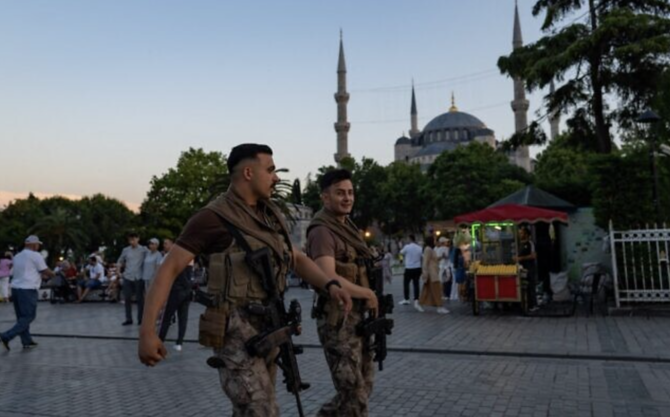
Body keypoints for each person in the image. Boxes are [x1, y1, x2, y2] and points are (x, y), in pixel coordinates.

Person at [138, 144, 352, 416]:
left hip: (269, 330)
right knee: (261, 410)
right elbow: (168, 270)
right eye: (271, 170)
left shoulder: (270, 214)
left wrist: (330, 285)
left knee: (251, 411)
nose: (276, 178)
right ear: (249, 173)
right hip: (234, 335)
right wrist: (147, 332)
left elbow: (295, 257)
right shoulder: (212, 218)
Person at [305, 169, 380, 417]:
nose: (347, 198)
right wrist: (367, 293)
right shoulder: (322, 231)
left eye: (350, 192)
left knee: (363, 387)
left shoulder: (347, 227)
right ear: (325, 198)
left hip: (359, 319)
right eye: (340, 193)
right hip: (338, 319)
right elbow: (328, 276)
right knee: (353, 394)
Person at [1, 235, 54, 351]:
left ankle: (27, 341)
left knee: (21, 317)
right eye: (37, 244)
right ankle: (6, 336)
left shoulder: (18, 256)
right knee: (29, 316)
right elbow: (44, 270)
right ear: (33, 244)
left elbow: (15, 271)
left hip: (15, 288)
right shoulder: (36, 255)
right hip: (28, 289)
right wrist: (54, 274)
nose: (38, 246)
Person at [157, 238, 192, 352]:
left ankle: (160, 341)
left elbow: (179, 274)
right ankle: (179, 343)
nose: (164, 245)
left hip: (176, 290)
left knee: (166, 317)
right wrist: (189, 289)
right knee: (183, 318)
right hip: (186, 291)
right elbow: (188, 275)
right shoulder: (190, 256)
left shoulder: (174, 256)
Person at [117, 232, 148, 325]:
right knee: (127, 298)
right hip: (128, 276)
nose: (132, 242)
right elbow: (120, 260)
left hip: (139, 276)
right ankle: (128, 318)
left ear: (138, 239)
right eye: (130, 240)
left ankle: (141, 318)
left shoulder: (144, 250)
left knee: (140, 299)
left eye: (133, 239)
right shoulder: (125, 250)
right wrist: (119, 272)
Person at [419, 236, 449, 314]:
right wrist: (425, 273)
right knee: (436, 290)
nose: (435, 241)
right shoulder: (428, 249)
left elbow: (433, 259)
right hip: (432, 273)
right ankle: (439, 306)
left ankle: (420, 303)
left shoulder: (430, 249)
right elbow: (425, 262)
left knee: (427, 290)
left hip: (433, 272)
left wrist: (441, 257)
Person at [514, 226, 538, 312]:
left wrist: (521, 258)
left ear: (526, 234)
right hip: (522, 269)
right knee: (524, 287)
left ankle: (533, 305)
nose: (520, 235)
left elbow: (533, 255)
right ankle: (526, 304)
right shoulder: (521, 244)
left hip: (530, 268)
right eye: (519, 233)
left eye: (521, 233)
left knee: (531, 286)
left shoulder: (530, 243)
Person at [398, 234, 423, 311]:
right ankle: (416, 299)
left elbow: (400, 253)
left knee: (406, 283)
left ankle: (406, 299)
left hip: (409, 268)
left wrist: (401, 260)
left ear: (409, 239)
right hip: (417, 267)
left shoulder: (407, 247)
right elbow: (422, 257)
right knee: (416, 284)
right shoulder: (419, 248)